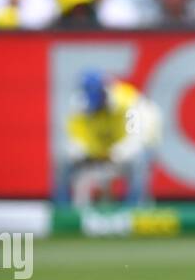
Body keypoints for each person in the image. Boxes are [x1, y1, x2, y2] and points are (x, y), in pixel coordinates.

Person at [58, 70, 161, 207]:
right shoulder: (78, 106)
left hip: (123, 153)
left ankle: (134, 208)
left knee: (139, 160)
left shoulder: (129, 102)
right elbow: (74, 138)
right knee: (64, 161)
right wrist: (85, 151)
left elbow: (137, 137)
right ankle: (62, 210)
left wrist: (117, 153)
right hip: (96, 154)